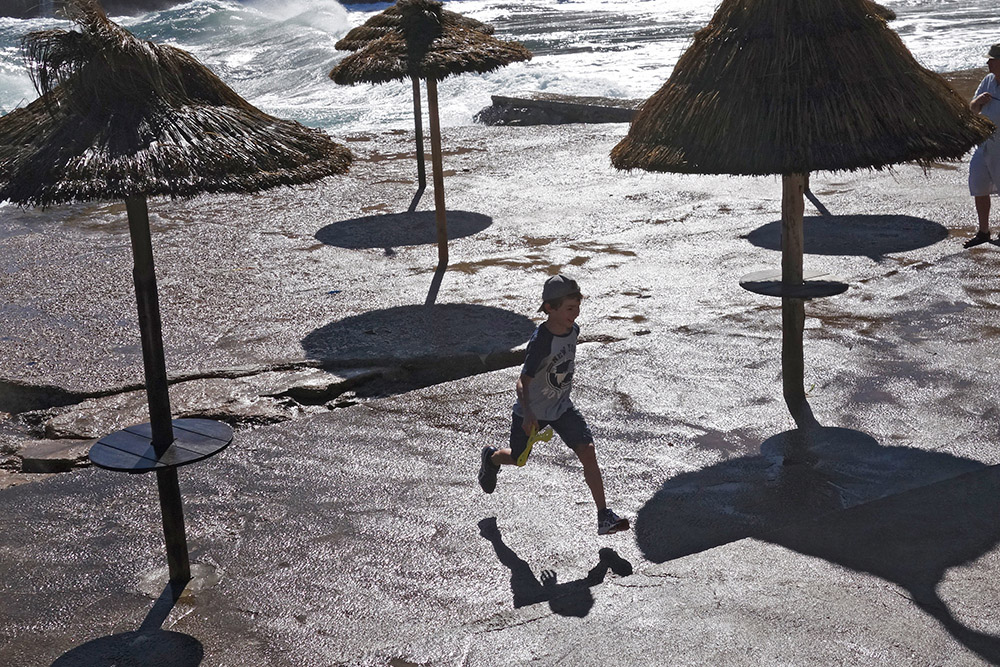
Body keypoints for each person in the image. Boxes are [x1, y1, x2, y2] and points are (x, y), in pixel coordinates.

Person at [478, 274, 629, 536]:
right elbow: (522, 382)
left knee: (588, 451)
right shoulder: (541, 341)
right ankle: (491, 458)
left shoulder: (574, 330)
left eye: (578, 306)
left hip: (561, 408)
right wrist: (527, 413)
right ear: (550, 308)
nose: (576, 313)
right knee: (518, 458)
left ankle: (604, 516)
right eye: (570, 308)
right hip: (532, 412)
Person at [965, 43, 1000, 248]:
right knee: (978, 185)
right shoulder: (988, 80)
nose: (988, 62)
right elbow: (972, 109)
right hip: (985, 143)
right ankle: (984, 231)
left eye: (992, 59)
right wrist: (977, 102)